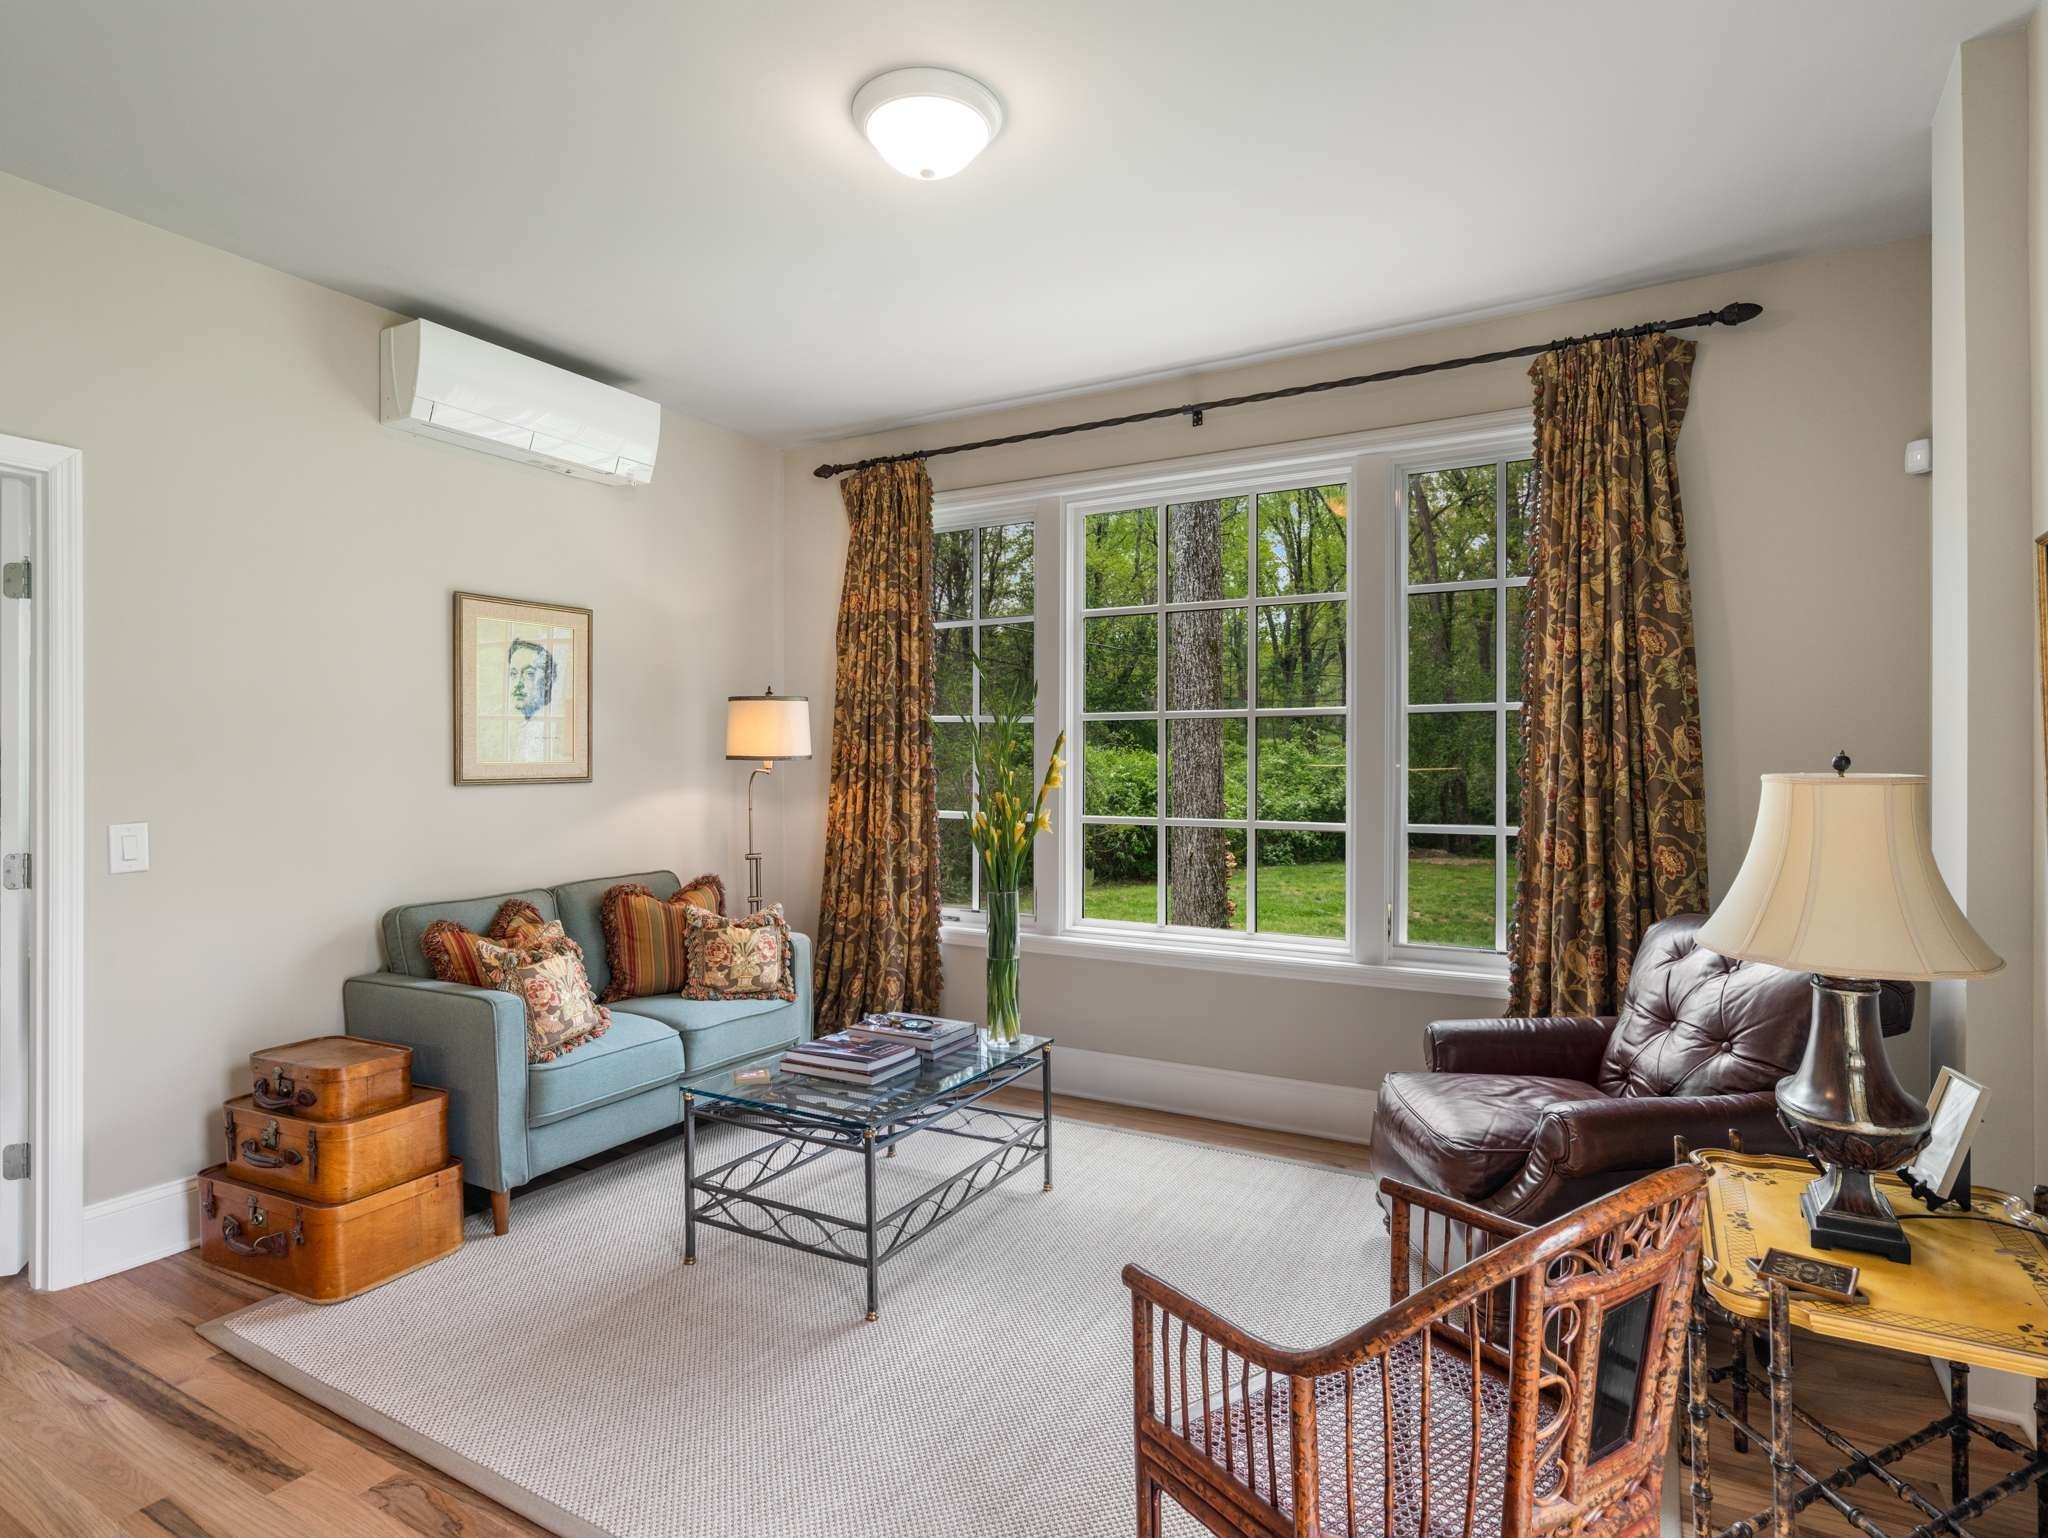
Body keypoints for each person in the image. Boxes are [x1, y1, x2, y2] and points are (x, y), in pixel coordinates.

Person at [505, 636, 557, 762]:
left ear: (547, 680)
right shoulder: (520, 726)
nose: (518, 683)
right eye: (513, 674)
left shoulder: (550, 725)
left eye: (529, 674)